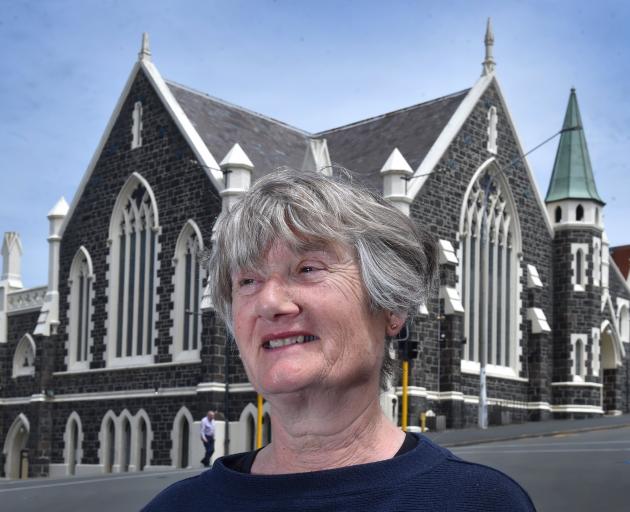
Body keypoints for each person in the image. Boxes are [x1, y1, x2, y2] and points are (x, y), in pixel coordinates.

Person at [143, 168, 535, 511]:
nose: (269, 302)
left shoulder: (482, 503)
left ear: (392, 307)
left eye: (308, 268)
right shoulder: (174, 507)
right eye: (248, 281)